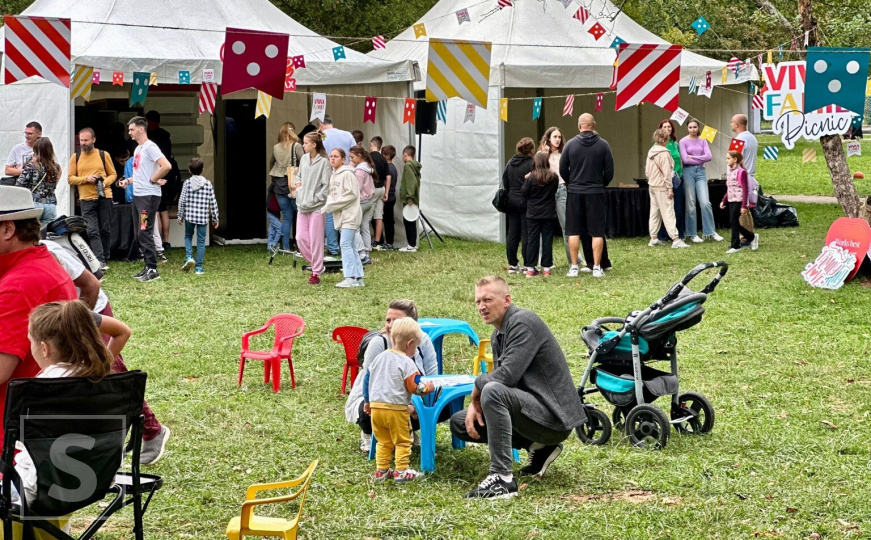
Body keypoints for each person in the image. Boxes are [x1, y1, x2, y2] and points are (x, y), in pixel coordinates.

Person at [450, 276, 585, 499]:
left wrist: (478, 387)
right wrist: (477, 403)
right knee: (461, 422)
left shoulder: (523, 323)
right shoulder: (498, 333)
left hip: (553, 418)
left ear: (506, 300)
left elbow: (505, 377)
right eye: (477, 302)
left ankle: (503, 478)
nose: (482, 306)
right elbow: (498, 378)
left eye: (488, 300)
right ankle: (539, 448)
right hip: (528, 410)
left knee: (493, 391)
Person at [39, 236, 169, 464]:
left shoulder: (48, 250)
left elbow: (92, 284)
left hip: (87, 312)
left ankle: (152, 431)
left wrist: (77, 328)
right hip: (55, 322)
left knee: (109, 372)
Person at [11, 299, 113, 534]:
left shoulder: (43, 388)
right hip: (92, 481)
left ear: (45, 348)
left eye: (31, 343)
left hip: (34, 489)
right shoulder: (102, 378)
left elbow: (20, 444)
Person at [0, 186, 77, 449]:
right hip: (42, 427)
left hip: (12, 440)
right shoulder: (41, 262)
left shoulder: (17, 286)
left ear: (7, 229)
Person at [344, 299, 440, 453]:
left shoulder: (423, 340)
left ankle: (407, 430)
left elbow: (432, 376)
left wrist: (416, 403)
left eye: (396, 320)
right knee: (370, 411)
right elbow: (371, 384)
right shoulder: (379, 343)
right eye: (388, 320)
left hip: (413, 394)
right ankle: (370, 432)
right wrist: (405, 406)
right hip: (376, 399)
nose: (390, 325)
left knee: (443, 405)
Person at [361, 317, 435, 483]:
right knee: (402, 441)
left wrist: (367, 400)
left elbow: (367, 378)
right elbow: (414, 387)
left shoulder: (380, 358)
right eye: (415, 347)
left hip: (377, 409)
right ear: (409, 343)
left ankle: (381, 471)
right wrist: (427, 388)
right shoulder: (407, 363)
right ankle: (401, 471)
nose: (415, 350)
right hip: (396, 410)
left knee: (383, 441)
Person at [116, 116, 171, 282]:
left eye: (132, 129)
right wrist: (128, 181)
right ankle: (147, 266)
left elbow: (166, 166)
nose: (129, 132)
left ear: (141, 129)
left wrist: (154, 179)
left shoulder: (150, 147)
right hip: (139, 196)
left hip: (148, 196)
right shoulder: (138, 149)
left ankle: (153, 268)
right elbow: (140, 173)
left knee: (144, 230)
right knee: (138, 232)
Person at [560, 113, 614, 278]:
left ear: (579, 126)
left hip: (575, 192)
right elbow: (610, 172)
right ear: (594, 125)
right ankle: (597, 267)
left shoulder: (570, 145)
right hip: (596, 192)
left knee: (573, 231)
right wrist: (599, 184)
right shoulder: (603, 145)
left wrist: (573, 183)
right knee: (597, 231)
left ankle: (574, 267)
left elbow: (563, 170)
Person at [68, 128, 118, 270]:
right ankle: (100, 260)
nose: (83, 143)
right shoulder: (75, 157)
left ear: (93, 140)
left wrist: (103, 183)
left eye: (86, 140)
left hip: (105, 196)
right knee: (92, 230)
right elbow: (70, 179)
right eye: (81, 140)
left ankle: (105, 256)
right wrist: (86, 179)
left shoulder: (103, 155)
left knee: (105, 229)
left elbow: (113, 174)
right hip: (86, 199)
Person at [539, 127, 585, 270]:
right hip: (546, 191)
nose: (558, 139)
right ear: (548, 139)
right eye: (555, 137)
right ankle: (544, 260)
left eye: (559, 137)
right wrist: (545, 154)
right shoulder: (541, 154)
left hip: (561, 189)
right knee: (544, 226)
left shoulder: (564, 153)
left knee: (567, 225)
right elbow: (538, 172)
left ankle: (574, 259)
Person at [321, 148, 364, 288]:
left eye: (336, 156)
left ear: (343, 159)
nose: (332, 159)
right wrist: (328, 204)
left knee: (345, 244)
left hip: (350, 215)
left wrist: (332, 205)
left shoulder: (347, 174)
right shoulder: (333, 175)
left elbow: (351, 195)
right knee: (350, 245)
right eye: (331, 156)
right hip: (341, 215)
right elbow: (332, 195)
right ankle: (357, 277)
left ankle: (350, 277)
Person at [295, 132, 331, 285]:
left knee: (316, 240)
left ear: (314, 144)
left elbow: (326, 185)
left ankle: (315, 272)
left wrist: (316, 199)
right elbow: (299, 176)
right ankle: (318, 264)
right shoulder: (303, 159)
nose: (303, 145)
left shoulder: (324, 162)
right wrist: (298, 187)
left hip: (316, 207)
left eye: (305, 143)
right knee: (300, 238)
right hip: (302, 205)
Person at [318, 116, 357, 256]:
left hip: (328, 175)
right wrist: (349, 166)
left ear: (320, 124)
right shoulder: (347, 134)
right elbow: (357, 152)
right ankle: (350, 245)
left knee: (330, 210)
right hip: (346, 174)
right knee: (347, 210)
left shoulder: (320, 136)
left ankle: (333, 247)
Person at [679, 120, 722, 243]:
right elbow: (685, 160)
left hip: (701, 172)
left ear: (698, 128)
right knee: (691, 203)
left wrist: (694, 157)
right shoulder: (683, 141)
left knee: (705, 202)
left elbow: (709, 156)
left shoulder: (703, 140)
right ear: (687, 128)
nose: (692, 129)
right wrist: (699, 159)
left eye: (695, 127)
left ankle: (710, 232)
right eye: (690, 127)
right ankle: (692, 233)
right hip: (688, 172)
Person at [646, 128, 689, 249]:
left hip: (652, 185)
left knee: (654, 212)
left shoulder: (651, 151)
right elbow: (667, 173)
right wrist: (669, 188)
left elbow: (647, 171)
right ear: (666, 139)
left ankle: (653, 237)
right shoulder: (664, 153)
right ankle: (675, 239)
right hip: (662, 186)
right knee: (668, 212)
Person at [177, 158, 219, 275]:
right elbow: (213, 202)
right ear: (203, 169)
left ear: (189, 170)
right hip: (203, 217)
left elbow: (182, 200)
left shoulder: (187, 183)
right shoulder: (208, 183)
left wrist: (180, 216)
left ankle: (189, 256)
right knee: (201, 241)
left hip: (190, 216)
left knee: (188, 236)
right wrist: (215, 218)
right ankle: (199, 267)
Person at [522, 153, 559, 277]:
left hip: (533, 213)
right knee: (547, 241)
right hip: (548, 213)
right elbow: (554, 192)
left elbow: (524, 193)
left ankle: (531, 267)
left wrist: (527, 179)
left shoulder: (531, 178)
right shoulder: (553, 177)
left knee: (533, 240)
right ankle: (547, 268)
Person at [268, 122, 303, 252]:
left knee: (287, 217)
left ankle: (286, 247)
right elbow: (304, 162)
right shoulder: (297, 146)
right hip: (293, 182)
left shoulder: (276, 147)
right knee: (300, 215)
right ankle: (300, 246)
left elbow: (271, 163)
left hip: (279, 183)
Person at [146, 111, 178, 252]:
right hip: (167, 176)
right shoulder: (166, 136)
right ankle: (165, 241)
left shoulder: (150, 139)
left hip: (155, 175)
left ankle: (155, 243)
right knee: (163, 210)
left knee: (156, 211)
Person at [503, 138, 534, 274]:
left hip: (511, 200)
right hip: (526, 201)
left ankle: (512, 264)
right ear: (531, 150)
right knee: (526, 233)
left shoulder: (510, 162)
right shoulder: (531, 164)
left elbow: (505, 181)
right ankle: (528, 264)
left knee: (513, 233)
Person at [720, 150, 759, 253]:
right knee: (734, 222)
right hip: (731, 199)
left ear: (735, 159)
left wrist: (744, 206)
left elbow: (745, 189)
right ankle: (750, 237)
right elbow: (730, 188)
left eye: (728, 158)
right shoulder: (730, 172)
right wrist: (724, 200)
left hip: (739, 200)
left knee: (733, 221)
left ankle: (735, 245)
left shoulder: (741, 172)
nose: (726, 161)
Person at [16, 137, 61, 225]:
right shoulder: (57, 167)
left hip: (34, 204)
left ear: (36, 150)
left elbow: (19, 185)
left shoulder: (31, 166)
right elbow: (54, 185)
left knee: (32, 234)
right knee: (47, 234)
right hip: (50, 205)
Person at [656, 119, 685, 241]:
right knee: (667, 207)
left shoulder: (675, 143)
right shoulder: (658, 145)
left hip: (677, 178)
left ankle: (679, 233)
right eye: (664, 127)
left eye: (669, 127)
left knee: (678, 207)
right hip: (665, 180)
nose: (667, 129)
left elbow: (679, 160)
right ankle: (664, 234)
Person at [731, 114, 758, 245]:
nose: (731, 124)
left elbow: (732, 160)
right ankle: (749, 233)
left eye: (732, 122)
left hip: (740, 177)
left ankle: (745, 236)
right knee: (746, 208)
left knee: (741, 209)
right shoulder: (752, 137)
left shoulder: (739, 139)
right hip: (750, 175)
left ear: (737, 124)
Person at [349, 146, 377, 265]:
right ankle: (367, 251)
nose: (351, 159)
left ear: (359, 156)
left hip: (361, 202)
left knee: (354, 228)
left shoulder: (359, 171)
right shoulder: (368, 167)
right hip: (369, 201)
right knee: (365, 227)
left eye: (352, 157)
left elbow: (357, 189)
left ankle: (361, 253)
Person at [368, 137, 391, 250]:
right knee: (378, 216)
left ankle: (366, 241)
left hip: (373, 189)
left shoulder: (369, 157)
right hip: (382, 188)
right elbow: (388, 176)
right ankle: (377, 242)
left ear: (372, 144)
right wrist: (386, 191)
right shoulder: (383, 158)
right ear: (380, 146)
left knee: (367, 216)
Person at [398, 146, 421, 253]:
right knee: (411, 220)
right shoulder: (414, 166)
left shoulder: (408, 166)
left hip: (409, 199)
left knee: (408, 221)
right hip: (413, 198)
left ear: (405, 155)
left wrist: (410, 197)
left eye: (403, 155)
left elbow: (411, 183)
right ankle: (413, 244)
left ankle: (411, 245)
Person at [376, 145, 399, 251]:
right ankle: (387, 241)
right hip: (391, 196)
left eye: (382, 155)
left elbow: (386, 182)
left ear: (387, 156)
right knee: (388, 220)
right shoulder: (393, 167)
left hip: (388, 197)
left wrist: (384, 193)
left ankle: (388, 242)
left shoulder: (388, 168)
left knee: (387, 220)